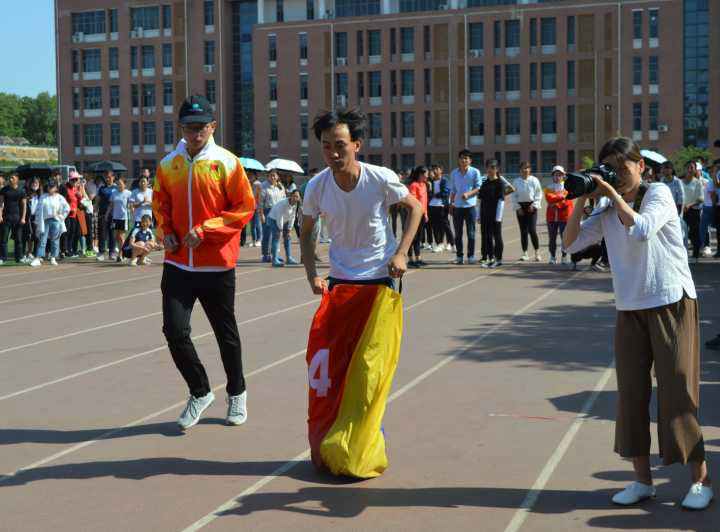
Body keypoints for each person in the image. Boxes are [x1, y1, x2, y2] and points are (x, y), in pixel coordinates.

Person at [563, 136, 713, 510]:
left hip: (671, 301)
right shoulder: (605, 207)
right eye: (610, 169)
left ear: (641, 166)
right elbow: (570, 244)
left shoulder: (658, 193)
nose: (618, 175)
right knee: (630, 394)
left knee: (677, 393)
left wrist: (611, 194)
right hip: (630, 306)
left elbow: (642, 228)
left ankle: (700, 481)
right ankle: (642, 481)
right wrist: (582, 196)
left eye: (624, 167)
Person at [153, 94, 256, 430]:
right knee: (174, 331)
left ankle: (237, 392)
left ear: (213, 126)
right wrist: (166, 232)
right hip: (178, 264)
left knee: (225, 334)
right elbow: (160, 205)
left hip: (217, 265)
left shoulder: (227, 163)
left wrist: (207, 230)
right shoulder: (168, 165)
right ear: (180, 128)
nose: (195, 133)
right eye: (189, 127)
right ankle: (199, 391)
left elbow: (244, 208)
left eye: (201, 127)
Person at [300, 108, 422, 292]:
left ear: (356, 145)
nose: (333, 153)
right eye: (326, 146)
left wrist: (401, 254)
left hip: (380, 275)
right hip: (340, 277)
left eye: (340, 145)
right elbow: (306, 232)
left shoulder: (380, 178)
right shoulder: (316, 186)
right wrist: (312, 276)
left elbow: (416, 208)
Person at [449, 150, 483, 265]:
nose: (463, 160)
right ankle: (459, 256)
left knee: (471, 233)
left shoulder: (475, 172)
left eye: (466, 158)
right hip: (457, 207)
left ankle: (471, 256)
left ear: (470, 160)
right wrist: (451, 203)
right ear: (458, 159)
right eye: (461, 158)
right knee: (458, 233)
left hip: (470, 207)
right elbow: (453, 189)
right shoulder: (454, 173)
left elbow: (478, 188)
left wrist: (469, 194)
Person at [478, 160, 513, 268]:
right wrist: (478, 215)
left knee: (497, 237)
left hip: (495, 215)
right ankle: (491, 258)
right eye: (488, 167)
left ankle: (499, 259)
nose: (490, 169)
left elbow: (501, 201)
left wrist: (498, 217)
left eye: (493, 167)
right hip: (484, 214)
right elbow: (480, 200)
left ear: (497, 169)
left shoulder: (500, 183)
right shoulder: (484, 183)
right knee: (487, 237)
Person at [30, 179, 69, 267]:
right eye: (49, 187)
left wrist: (61, 216)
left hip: (56, 221)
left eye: (52, 187)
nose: (50, 188)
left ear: (56, 188)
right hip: (44, 221)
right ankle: (38, 258)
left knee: (55, 240)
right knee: (42, 239)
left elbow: (67, 208)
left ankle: (53, 257)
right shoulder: (43, 197)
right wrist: (37, 221)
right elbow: (38, 210)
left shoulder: (59, 197)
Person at [511, 161, 543, 261]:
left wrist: (534, 205)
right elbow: (513, 196)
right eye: (523, 168)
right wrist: (518, 208)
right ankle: (525, 253)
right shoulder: (516, 181)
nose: (525, 170)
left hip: (531, 207)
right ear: (520, 170)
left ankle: (537, 252)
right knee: (523, 231)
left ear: (530, 169)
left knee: (532, 230)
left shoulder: (534, 180)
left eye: (527, 168)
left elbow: (538, 194)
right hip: (521, 207)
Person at [544, 165, 573, 265]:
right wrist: (560, 197)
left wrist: (556, 203)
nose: (557, 177)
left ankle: (564, 256)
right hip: (551, 217)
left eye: (560, 175)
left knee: (564, 237)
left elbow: (568, 201)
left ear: (563, 175)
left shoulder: (568, 186)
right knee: (552, 238)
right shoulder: (548, 187)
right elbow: (549, 198)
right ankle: (552, 257)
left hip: (564, 216)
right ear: (552, 175)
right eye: (556, 175)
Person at [267, 189, 301, 267]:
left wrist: (289, 230)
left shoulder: (296, 204)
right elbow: (280, 217)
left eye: (297, 197)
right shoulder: (283, 204)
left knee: (288, 238)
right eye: (294, 196)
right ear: (291, 196)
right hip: (273, 219)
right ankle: (274, 260)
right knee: (276, 237)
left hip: (285, 220)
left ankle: (289, 258)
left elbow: (293, 217)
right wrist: (280, 230)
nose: (295, 198)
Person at [0, 173, 27, 265]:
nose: (10, 179)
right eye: (9, 178)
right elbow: (1, 204)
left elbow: (24, 205)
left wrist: (23, 218)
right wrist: (0, 215)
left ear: (17, 179)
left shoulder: (22, 191)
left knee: (18, 240)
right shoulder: (4, 190)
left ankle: (19, 258)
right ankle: (3, 258)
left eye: (12, 178)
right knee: (3, 239)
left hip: (18, 218)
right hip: (6, 218)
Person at [259, 170, 286, 263]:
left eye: (274, 175)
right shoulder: (264, 186)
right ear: (268, 176)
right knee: (267, 234)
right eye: (270, 175)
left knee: (277, 234)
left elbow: (284, 200)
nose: (272, 177)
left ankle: (275, 254)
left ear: (278, 177)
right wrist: (261, 214)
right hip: (268, 211)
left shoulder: (280, 186)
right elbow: (260, 202)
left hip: (278, 212)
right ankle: (265, 254)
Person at [406, 166, 430, 267]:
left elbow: (425, 201)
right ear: (420, 174)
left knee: (419, 237)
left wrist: (426, 213)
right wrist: (416, 213)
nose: (427, 176)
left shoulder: (424, 185)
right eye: (426, 174)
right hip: (415, 215)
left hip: (422, 214)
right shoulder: (413, 185)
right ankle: (410, 259)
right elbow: (413, 201)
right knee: (412, 237)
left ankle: (418, 258)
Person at [427, 164, 454, 253]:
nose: (434, 171)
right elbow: (429, 193)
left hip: (442, 205)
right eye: (433, 169)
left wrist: (434, 195)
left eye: (437, 169)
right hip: (432, 205)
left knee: (445, 225)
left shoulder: (444, 180)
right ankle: (439, 244)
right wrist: (430, 191)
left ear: (441, 171)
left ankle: (452, 243)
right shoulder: (431, 182)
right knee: (435, 226)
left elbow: (445, 193)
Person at [681, 162, 704, 263]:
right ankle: (682, 256)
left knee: (694, 233)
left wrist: (690, 205)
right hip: (682, 211)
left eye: (692, 168)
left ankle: (695, 255)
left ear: (695, 170)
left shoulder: (697, 183)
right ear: (685, 169)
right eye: (688, 167)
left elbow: (701, 198)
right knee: (681, 234)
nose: (690, 169)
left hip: (694, 211)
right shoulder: (680, 182)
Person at [96, 171, 118, 261]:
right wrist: (95, 209)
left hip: (114, 214)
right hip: (102, 213)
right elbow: (97, 200)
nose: (107, 179)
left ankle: (112, 252)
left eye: (109, 177)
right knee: (102, 233)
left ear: (113, 177)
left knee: (112, 233)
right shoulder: (101, 188)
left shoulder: (116, 188)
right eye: (106, 177)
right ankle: (101, 252)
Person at [110, 177, 132, 263]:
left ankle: (120, 254)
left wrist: (133, 212)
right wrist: (107, 213)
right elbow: (111, 205)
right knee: (116, 236)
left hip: (124, 218)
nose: (118, 185)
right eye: (117, 183)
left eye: (120, 183)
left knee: (121, 237)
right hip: (115, 218)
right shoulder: (114, 193)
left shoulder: (128, 193)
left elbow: (131, 205)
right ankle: (122, 252)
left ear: (124, 184)